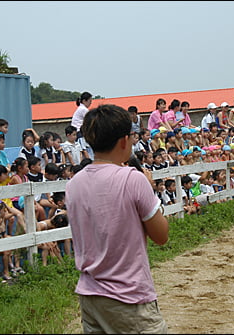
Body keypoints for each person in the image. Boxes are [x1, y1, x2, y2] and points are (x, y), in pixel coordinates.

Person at [65, 103, 169, 334]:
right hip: (128, 297)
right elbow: (161, 235)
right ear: (124, 140)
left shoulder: (74, 184)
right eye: (132, 136)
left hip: (90, 295)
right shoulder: (133, 179)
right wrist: (150, 189)